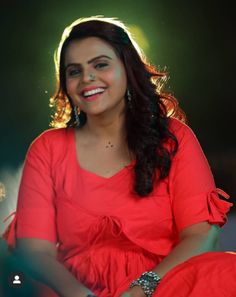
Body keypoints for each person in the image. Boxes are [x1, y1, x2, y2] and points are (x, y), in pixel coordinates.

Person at [2, 16, 235, 297]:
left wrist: (140, 288)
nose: (87, 78)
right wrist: (78, 293)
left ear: (128, 69)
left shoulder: (174, 138)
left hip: (162, 284)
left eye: (100, 64)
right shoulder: (47, 148)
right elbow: (35, 250)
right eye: (74, 71)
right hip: (73, 289)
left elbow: (200, 235)